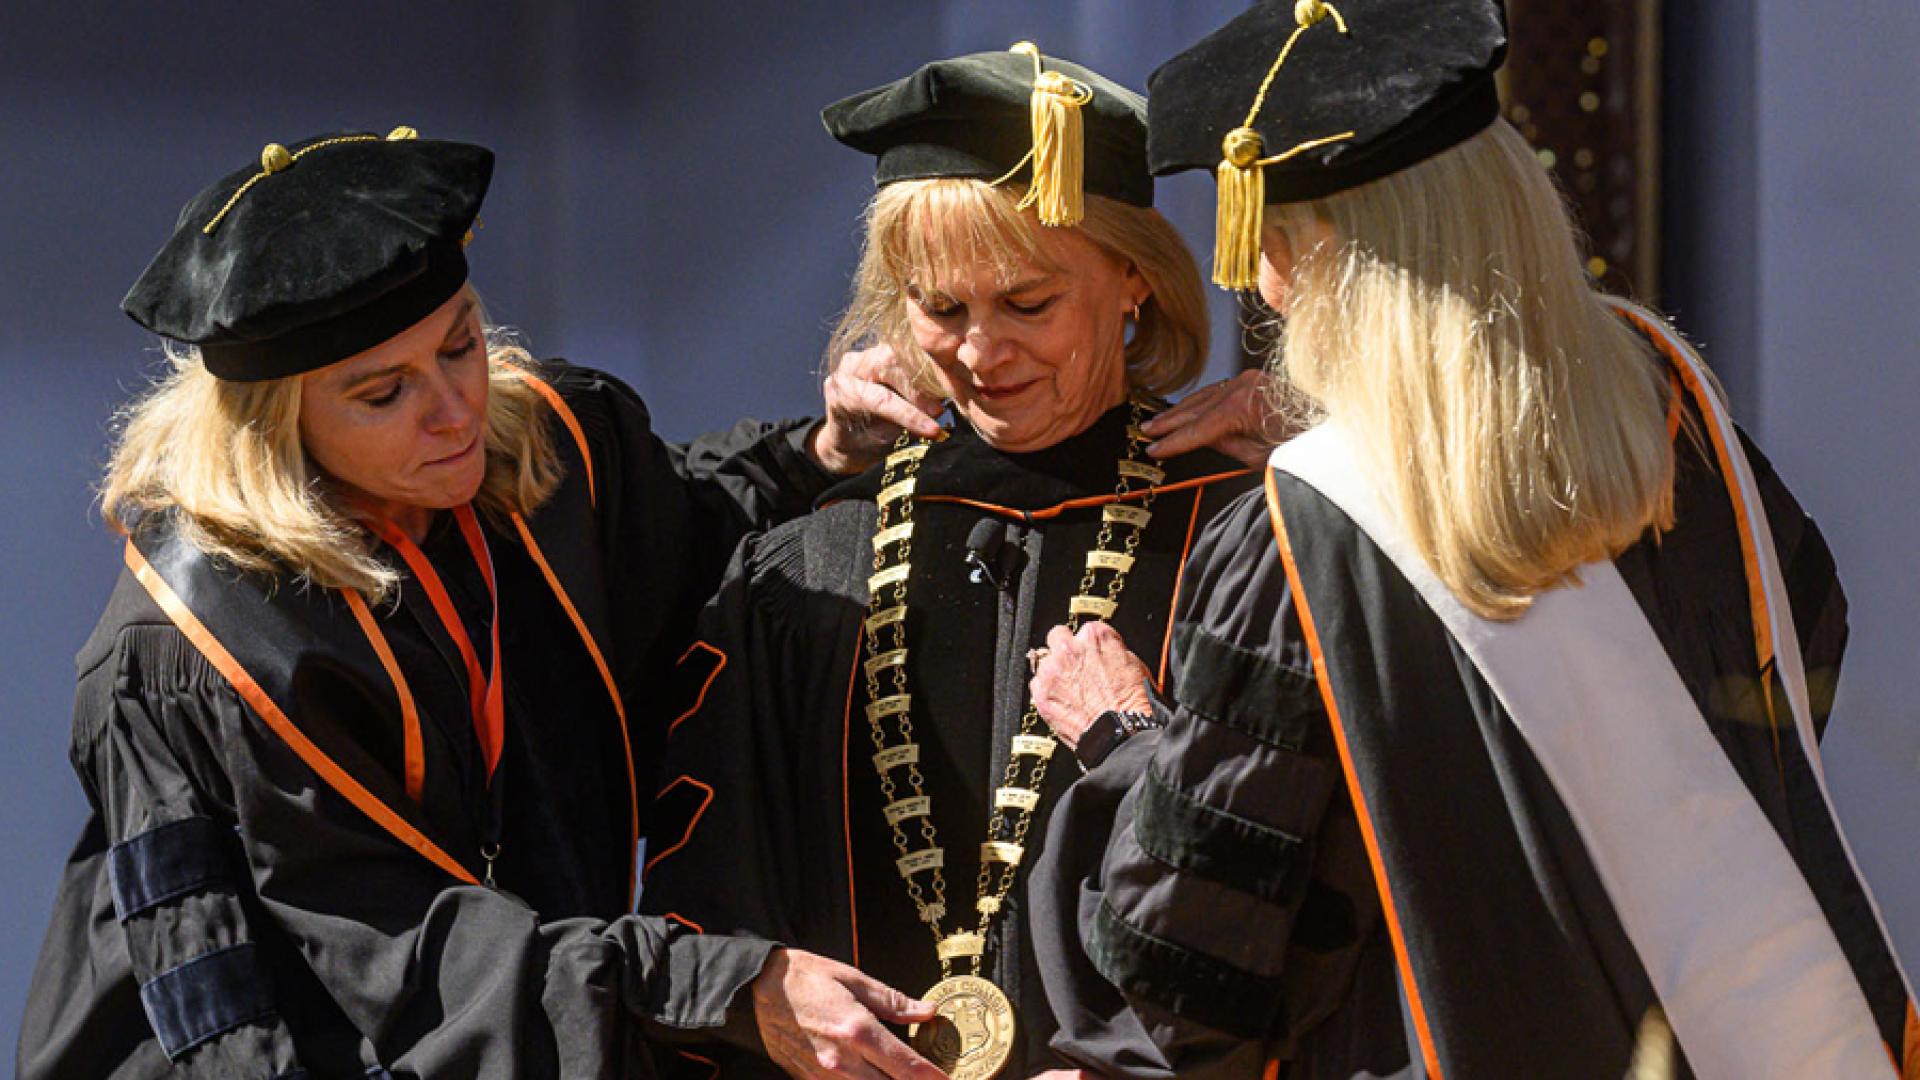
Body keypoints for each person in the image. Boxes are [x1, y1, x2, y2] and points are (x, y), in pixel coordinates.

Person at [1027, 3, 1919, 1078]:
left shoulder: (1308, 528)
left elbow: (1194, 958)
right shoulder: (1664, 406)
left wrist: (1126, 737)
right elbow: (1795, 650)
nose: (1262, 290)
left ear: (1323, 255)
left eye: (1267, 249)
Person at [18, 128, 951, 1080]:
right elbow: (389, 958)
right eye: (384, 394)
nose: (456, 409)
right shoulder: (198, 644)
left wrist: (830, 450)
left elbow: (684, 530)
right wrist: (721, 988)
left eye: (460, 345)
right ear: (275, 425)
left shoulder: (535, 448)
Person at [637, 45, 1271, 1080]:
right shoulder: (812, 563)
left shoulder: (1240, 535)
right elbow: (715, 909)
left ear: (1135, 283)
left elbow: (1312, 894)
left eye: (1027, 303)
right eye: (941, 309)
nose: (981, 354)